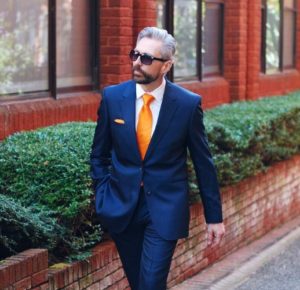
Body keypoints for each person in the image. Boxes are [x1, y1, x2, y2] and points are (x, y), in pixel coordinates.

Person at [90, 27, 225, 290]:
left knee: (151, 283)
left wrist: (214, 217)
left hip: (164, 209)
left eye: (147, 58)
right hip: (121, 206)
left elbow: (203, 163)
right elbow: (99, 154)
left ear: (166, 66)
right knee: (139, 283)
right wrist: (103, 190)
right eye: (135, 55)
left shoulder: (187, 104)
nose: (138, 63)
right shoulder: (113, 98)